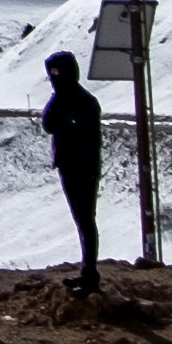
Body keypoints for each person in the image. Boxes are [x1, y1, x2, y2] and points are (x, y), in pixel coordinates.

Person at [40, 50, 106, 292]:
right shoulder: (61, 98)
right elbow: (47, 124)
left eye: (57, 73)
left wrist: (90, 169)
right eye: (51, 74)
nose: (54, 78)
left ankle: (90, 276)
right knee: (81, 221)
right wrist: (58, 99)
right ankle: (87, 272)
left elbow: (90, 140)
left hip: (83, 168)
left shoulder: (85, 102)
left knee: (86, 221)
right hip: (68, 166)